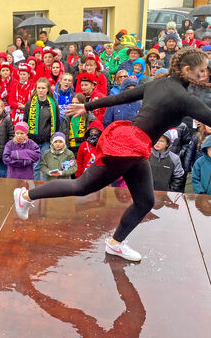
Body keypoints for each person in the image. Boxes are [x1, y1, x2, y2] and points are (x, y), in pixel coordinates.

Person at [13, 47, 211, 262]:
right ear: (189, 70)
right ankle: (24, 196)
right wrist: (86, 107)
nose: (204, 74)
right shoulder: (184, 97)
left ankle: (115, 244)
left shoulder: (159, 83)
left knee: (144, 202)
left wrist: (87, 106)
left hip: (134, 145)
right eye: (202, 70)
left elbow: (122, 97)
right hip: (129, 147)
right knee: (82, 187)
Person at [23, 78, 60, 181]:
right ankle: (34, 188)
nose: (41, 90)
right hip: (33, 140)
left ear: (47, 89)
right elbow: (25, 121)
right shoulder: (30, 103)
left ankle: (44, 189)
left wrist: (53, 139)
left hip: (46, 140)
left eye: (43, 88)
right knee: (35, 166)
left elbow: (57, 122)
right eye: (38, 88)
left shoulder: (53, 104)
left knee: (45, 166)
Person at [60, 93, 96, 160]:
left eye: (77, 103)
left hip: (84, 149)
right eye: (72, 102)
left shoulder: (90, 117)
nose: (74, 105)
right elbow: (62, 132)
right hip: (70, 149)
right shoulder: (67, 117)